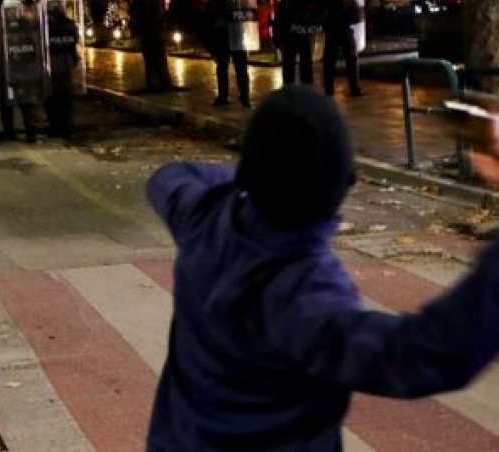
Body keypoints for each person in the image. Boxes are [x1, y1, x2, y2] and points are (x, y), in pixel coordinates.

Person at [146, 84, 499, 451]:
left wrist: (259, 174)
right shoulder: (303, 294)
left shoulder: (207, 215)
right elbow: (421, 354)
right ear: (337, 187)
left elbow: (169, 178)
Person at [0, 0, 43, 143]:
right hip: (8, 69)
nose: (12, 13)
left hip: (23, 69)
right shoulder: (1, 26)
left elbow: (35, 47)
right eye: (9, 10)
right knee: (7, 103)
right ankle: (9, 132)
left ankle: (30, 132)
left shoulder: (27, 25)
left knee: (26, 103)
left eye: (14, 10)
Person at [272, 0, 324, 86]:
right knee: (305, 64)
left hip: (289, 35)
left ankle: (289, 88)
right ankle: (306, 89)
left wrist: (278, 37)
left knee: (289, 65)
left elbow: (279, 19)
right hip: (303, 34)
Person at [207, 0, 251, 108]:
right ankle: (225, 96)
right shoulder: (217, 1)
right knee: (224, 68)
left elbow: (247, 15)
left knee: (239, 68)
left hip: (234, 34)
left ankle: (243, 97)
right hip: (223, 36)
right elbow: (210, 20)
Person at [43, 0, 80, 138]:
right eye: (52, 5)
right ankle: (60, 127)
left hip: (60, 65)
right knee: (56, 99)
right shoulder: (46, 24)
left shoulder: (66, 24)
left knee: (60, 99)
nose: (55, 8)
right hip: (56, 65)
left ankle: (62, 127)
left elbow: (73, 42)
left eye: (56, 4)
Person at [322, 0, 362, 97]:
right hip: (343, 27)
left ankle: (329, 89)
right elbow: (354, 8)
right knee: (351, 58)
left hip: (332, 28)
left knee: (329, 60)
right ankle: (354, 88)